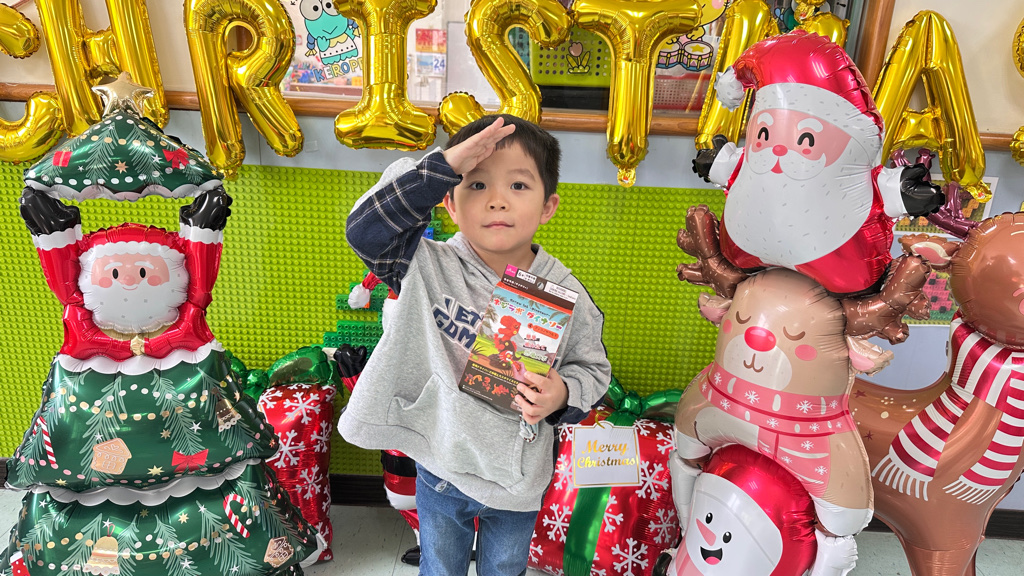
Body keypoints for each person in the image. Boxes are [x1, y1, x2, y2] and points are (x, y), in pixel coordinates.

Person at [337, 114, 611, 576]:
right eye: (477, 184)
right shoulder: (421, 262)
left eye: (518, 186)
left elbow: (593, 370)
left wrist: (563, 393)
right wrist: (443, 166)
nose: (497, 200)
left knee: (504, 569)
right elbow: (366, 230)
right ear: (449, 201)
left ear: (548, 206)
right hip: (442, 461)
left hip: (517, 477)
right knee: (440, 567)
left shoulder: (565, 292)